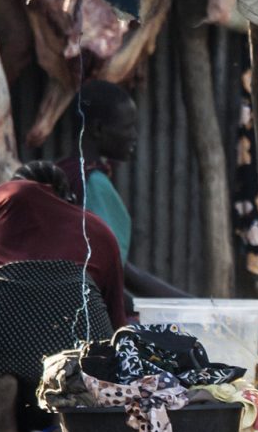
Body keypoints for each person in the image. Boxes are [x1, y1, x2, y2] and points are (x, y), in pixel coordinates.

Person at [0, 161, 130, 432]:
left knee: (4, 357)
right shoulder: (98, 230)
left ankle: (4, 387)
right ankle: (64, 409)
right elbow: (115, 321)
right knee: (82, 370)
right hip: (71, 332)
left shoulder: (1, 202)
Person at [55, 81, 188, 298]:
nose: (134, 136)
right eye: (127, 127)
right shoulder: (93, 183)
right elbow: (112, 271)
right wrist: (192, 306)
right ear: (98, 129)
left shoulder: (65, 171)